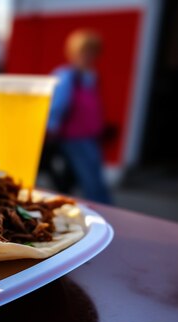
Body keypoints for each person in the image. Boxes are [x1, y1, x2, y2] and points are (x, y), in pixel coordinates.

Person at [45, 29, 113, 204]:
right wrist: (47, 132)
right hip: (74, 140)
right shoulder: (66, 76)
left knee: (81, 181)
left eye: (93, 52)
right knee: (93, 184)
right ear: (74, 53)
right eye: (85, 51)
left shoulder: (91, 77)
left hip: (91, 138)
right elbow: (56, 107)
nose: (89, 56)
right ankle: (106, 217)